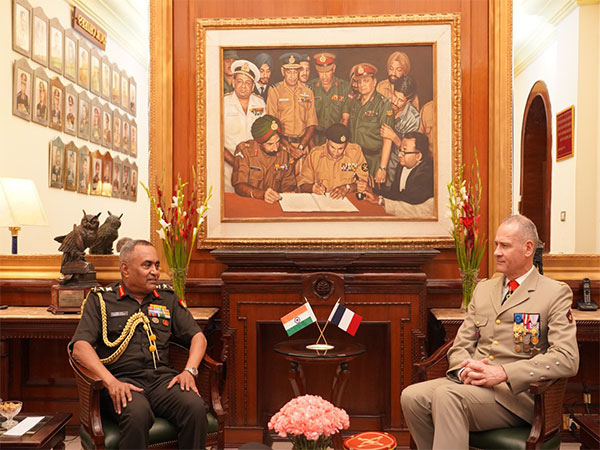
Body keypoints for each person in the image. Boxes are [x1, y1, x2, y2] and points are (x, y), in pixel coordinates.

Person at [400, 215, 579, 449]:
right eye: (496, 245)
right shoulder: (484, 289)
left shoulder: (553, 293)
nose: (496, 252)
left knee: (447, 396)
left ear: (528, 248)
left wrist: (503, 372)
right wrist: (465, 369)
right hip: (473, 385)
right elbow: (461, 344)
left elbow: (567, 358)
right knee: (412, 397)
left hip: (518, 397)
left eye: (504, 245)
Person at [69, 240, 208, 449]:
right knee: (137, 413)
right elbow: (80, 347)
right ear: (125, 269)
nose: (155, 272)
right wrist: (110, 381)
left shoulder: (166, 298)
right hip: (122, 381)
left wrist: (189, 371)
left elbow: (198, 337)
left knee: (195, 407)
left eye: (157, 265)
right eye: (147, 265)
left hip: (162, 382)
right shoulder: (101, 300)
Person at [341, 63, 394, 184]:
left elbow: (387, 139)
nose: (362, 85)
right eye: (359, 82)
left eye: (366, 80)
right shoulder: (354, 102)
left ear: (374, 82)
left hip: (373, 159)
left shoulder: (383, 104)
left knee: (372, 194)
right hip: (354, 158)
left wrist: (382, 168)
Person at [266, 52, 318, 172]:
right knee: (283, 182)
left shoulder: (307, 91)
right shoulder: (275, 91)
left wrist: (300, 147)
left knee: (302, 182)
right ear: (283, 71)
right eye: (289, 72)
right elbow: (271, 124)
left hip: (302, 147)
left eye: (295, 71)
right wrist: (290, 148)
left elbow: (311, 123)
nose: (293, 76)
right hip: (281, 146)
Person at [231, 114, 297, 204]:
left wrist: (288, 192)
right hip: (251, 202)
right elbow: (239, 185)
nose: (275, 148)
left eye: (277, 142)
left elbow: (289, 183)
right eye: (270, 144)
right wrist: (261, 194)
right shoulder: (245, 151)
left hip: (274, 204)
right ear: (259, 142)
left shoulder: (285, 154)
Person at [223, 59, 265, 193]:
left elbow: (264, 135)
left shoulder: (260, 104)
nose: (243, 86)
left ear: (253, 86)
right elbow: (215, 140)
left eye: (248, 83)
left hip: (254, 166)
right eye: (239, 81)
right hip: (228, 164)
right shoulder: (222, 103)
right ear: (233, 82)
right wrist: (236, 163)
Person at [298, 123, 368, 198]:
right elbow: (302, 185)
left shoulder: (355, 153)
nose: (336, 153)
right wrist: (312, 188)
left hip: (347, 199)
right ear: (327, 141)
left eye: (340, 149)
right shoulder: (315, 155)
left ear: (346, 144)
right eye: (332, 147)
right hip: (323, 200)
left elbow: (364, 182)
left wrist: (347, 187)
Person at [379, 75, 421, 188]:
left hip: (397, 165)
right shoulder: (383, 105)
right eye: (394, 96)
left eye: (401, 100)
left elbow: (410, 151)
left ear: (409, 101)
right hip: (378, 158)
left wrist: (394, 137)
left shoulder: (413, 119)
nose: (395, 102)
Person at [309, 52, 351, 146]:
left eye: (327, 71)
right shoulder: (310, 87)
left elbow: (345, 119)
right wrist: (312, 146)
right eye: (321, 72)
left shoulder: (344, 87)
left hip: (336, 137)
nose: (324, 76)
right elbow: (306, 120)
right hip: (315, 138)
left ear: (334, 68)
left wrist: (338, 141)